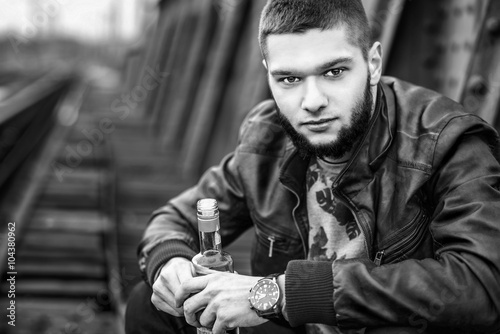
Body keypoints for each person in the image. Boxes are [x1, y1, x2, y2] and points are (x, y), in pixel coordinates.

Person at [125, 0, 500, 333]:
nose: (312, 101)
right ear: (268, 73)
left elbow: (481, 286)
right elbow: (181, 215)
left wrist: (278, 294)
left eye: (334, 72)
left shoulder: (447, 141)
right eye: (289, 79)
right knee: (153, 304)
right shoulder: (266, 138)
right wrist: (169, 261)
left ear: (372, 63)